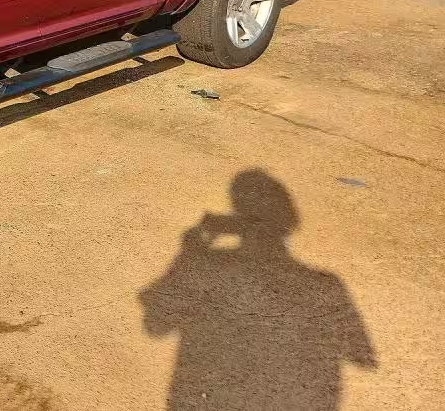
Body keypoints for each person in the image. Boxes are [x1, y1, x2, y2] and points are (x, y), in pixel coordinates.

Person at [139, 170, 375, 410]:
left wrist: (191, 248)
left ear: (235, 221)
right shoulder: (326, 286)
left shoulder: (209, 266)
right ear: (288, 223)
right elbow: (362, 356)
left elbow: (156, 324)